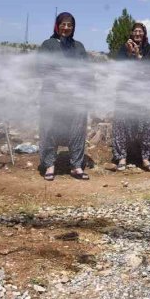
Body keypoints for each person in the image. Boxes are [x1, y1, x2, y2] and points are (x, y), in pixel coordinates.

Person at [37, 12, 90, 181]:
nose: (66, 28)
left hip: (75, 97)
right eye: (63, 24)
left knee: (77, 129)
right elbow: (39, 67)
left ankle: (76, 166)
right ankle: (49, 165)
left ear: (73, 28)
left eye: (70, 25)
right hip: (51, 95)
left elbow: (86, 70)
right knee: (50, 128)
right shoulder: (48, 44)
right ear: (57, 25)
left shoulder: (79, 47)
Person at [112, 23, 150, 172]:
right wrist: (128, 54)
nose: (138, 34)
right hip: (126, 93)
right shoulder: (123, 49)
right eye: (135, 31)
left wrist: (139, 56)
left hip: (146, 94)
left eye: (140, 31)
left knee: (148, 124)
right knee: (121, 122)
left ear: (144, 34)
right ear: (131, 33)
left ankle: (146, 158)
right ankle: (121, 157)